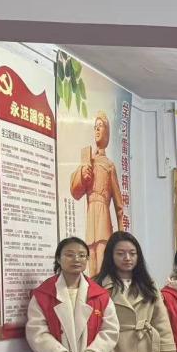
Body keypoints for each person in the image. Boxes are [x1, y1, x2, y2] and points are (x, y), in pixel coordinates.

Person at [69, 111, 125, 276]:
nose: (97, 130)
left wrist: (122, 234)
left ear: (106, 131)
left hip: (103, 211)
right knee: (91, 254)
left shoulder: (109, 165)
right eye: (95, 127)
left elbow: (119, 204)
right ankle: (93, 288)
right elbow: (76, 192)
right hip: (91, 211)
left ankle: (103, 288)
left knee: (102, 252)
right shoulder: (88, 161)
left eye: (101, 126)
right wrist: (83, 174)